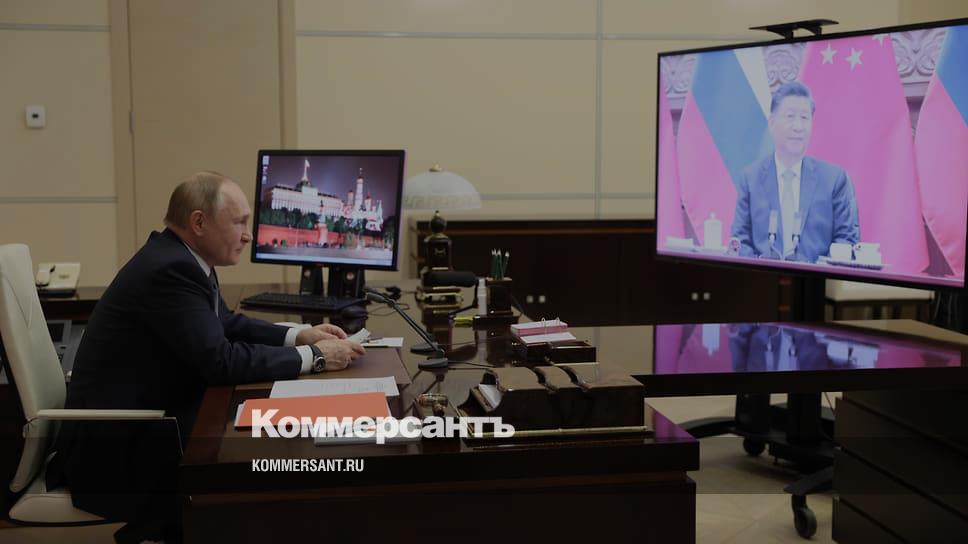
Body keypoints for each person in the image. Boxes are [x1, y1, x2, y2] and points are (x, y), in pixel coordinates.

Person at [46, 171, 366, 543]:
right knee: (265, 463)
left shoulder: (181, 258)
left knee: (263, 442)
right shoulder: (170, 269)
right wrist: (316, 357)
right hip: (114, 453)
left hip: (148, 424)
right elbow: (221, 362)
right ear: (199, 223)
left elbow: (224, 322)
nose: (248, 235)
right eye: (239, 223)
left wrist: (298, 334)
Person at [730, 81, 860, 263]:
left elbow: (847, 239)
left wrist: (818, 272)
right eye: (790, 116)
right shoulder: (750, 179)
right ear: (772, 123)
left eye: (804, 118)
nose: (798, 126)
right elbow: (740, 241)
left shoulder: (834, 180)